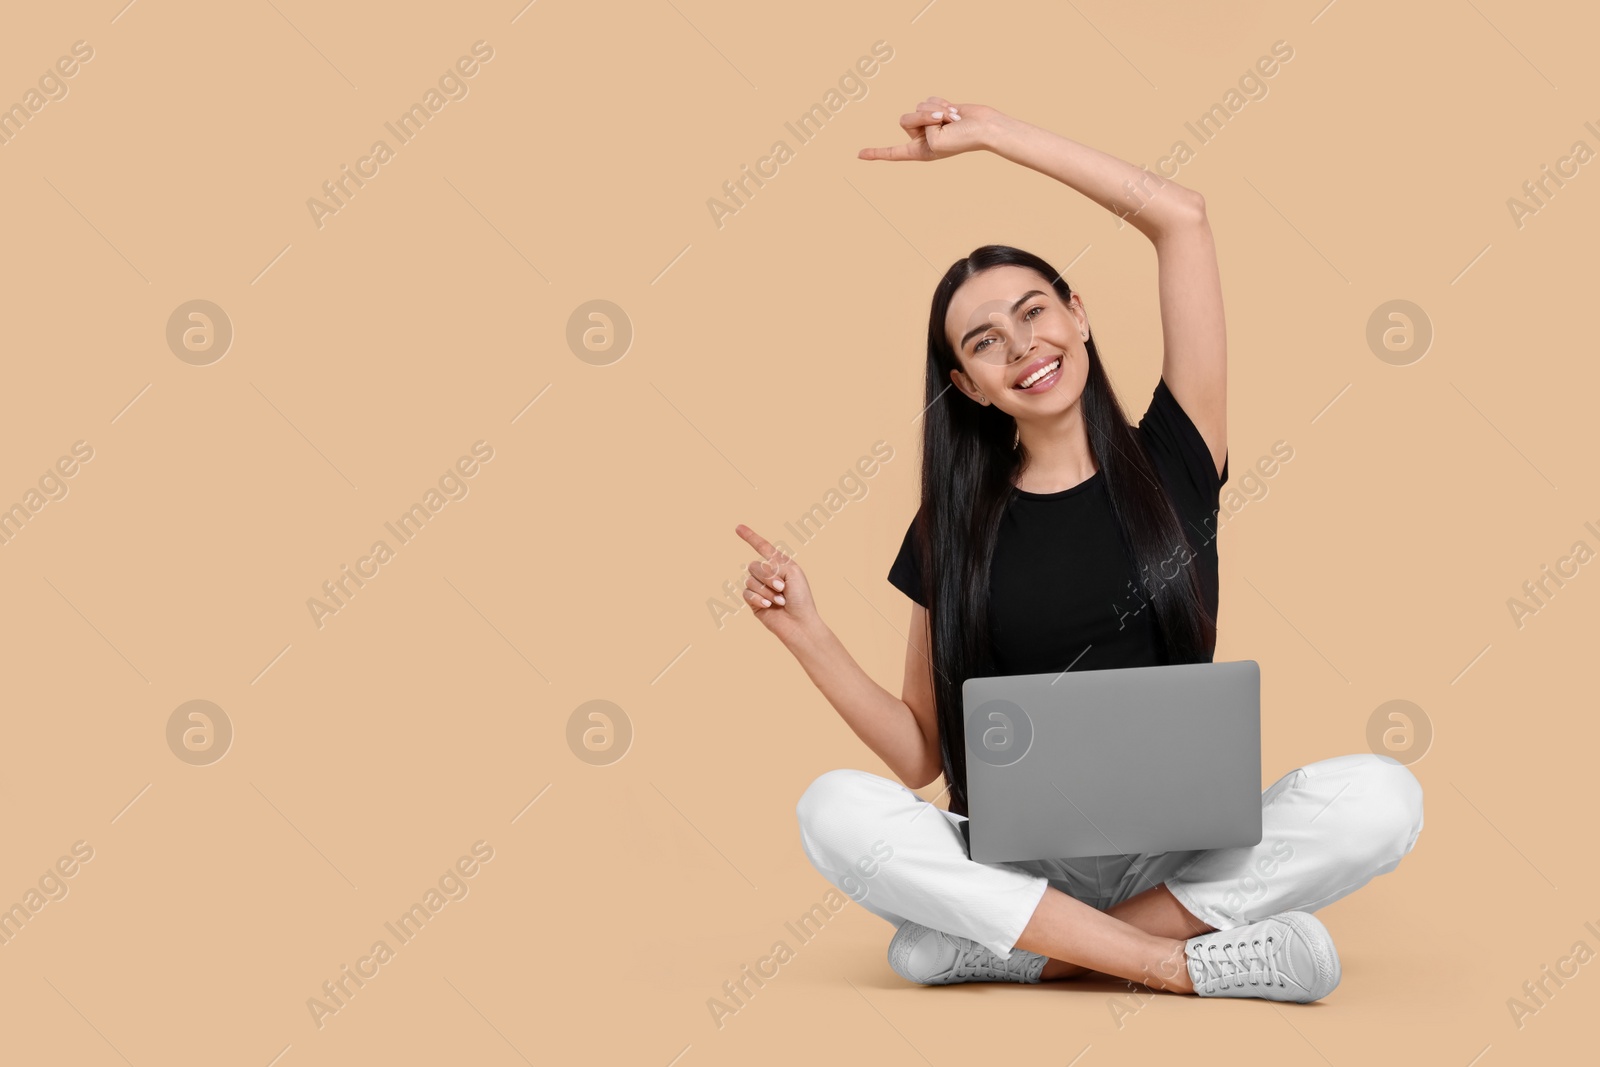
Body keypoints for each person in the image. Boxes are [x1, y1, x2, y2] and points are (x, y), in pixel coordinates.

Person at [732, 97, 1422, 1003]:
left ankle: (1029, 951)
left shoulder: (1177, 452)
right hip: (1019, 860)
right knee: (831, 808)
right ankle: (1170, 963)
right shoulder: (952, 527)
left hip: (1173, 853)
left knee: (1383, 797)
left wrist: (989, 137)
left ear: (1080, 314)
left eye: (1035, 311)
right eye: (986, 342)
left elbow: (1183, 217)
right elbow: (917, 758)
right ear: (967, 386)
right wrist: (806, 632)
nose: (1023, 346)